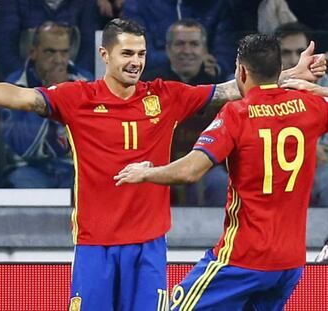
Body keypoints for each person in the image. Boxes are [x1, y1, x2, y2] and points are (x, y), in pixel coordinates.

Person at [0, 18, 325, 310]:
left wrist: (284, 76)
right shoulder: (77, 97)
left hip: (149, 246)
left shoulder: (165, 96)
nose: (136, 61)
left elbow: (235, 88)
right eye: (127, 54)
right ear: (104, 55)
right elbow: (20, 97)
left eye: (140, 53)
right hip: (96, 244)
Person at [114, 33, 328, 310]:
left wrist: (146, 172)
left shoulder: (237, 114)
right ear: (278, 70)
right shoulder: (312, 107)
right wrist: (321, 92)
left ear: (240, 71)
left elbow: (190, 171)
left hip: (242, 258)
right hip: (290, 263)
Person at [142, 18, 228, 206]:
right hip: (157, 166)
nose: (187, 51)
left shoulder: (221, 85)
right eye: (180, 44)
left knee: (220, 182)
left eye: (194, 44)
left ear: (204, 50)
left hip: (208, 168)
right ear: (168, 48)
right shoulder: (149, 84)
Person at [0, 21, 92, 188]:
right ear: (33, 52)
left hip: (73, 170)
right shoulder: (14, 86)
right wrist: (50, 95)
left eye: (64, 52)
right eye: (50, 52)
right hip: (28, 170)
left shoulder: (87, 83)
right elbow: (24, 145)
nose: (58, 60)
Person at [275, 22, 328, 206]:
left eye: (300, 52)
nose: (294, 59)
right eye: (286, 53)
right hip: (277, 168)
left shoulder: (325, 85)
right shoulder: (261, 88)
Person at [122, 0, 238, 78]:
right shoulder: (138, 5)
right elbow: (137, 53)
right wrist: (183, 61)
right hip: (158, 78)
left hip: (206, 77)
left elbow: (226, 46)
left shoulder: (217, 4)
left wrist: (217, 66)